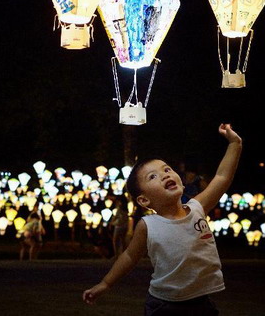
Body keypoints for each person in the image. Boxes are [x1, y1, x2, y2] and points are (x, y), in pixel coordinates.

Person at [83, 123, 242, 315]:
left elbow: (222, 177)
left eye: (167, 170)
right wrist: (106, 283)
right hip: (165, 305)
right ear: (144, 200)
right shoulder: (149, 225)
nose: (164, 175)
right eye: (153, 177)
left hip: (201, 301)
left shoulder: (197, 208)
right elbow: (129, 256)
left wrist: (235, 143)